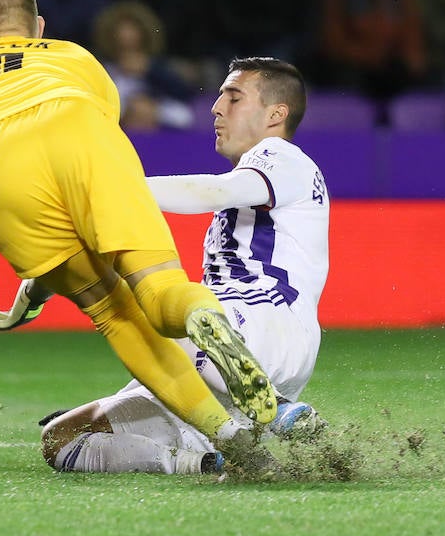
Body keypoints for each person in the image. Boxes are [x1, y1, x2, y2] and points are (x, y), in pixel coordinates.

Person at [0, 0, 279, 468]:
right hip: (86, 136)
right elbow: (83, 153)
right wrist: (35, 287)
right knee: (160, 293)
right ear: (37, 26)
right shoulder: (76, 57)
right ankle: (201, 315)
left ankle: (232, 440)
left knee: (115, 310)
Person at [40, 57, 330, 475]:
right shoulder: (265, 180)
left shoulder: (282, 156)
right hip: (258, 347)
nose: (216, 108)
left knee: (162, 317)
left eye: (233, 97)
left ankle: (271, 408)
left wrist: (107, 191)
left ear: (276, 114)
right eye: (218, 97)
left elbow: (211, 192)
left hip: (257, 317)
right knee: (62, 439)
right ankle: (211, 460)